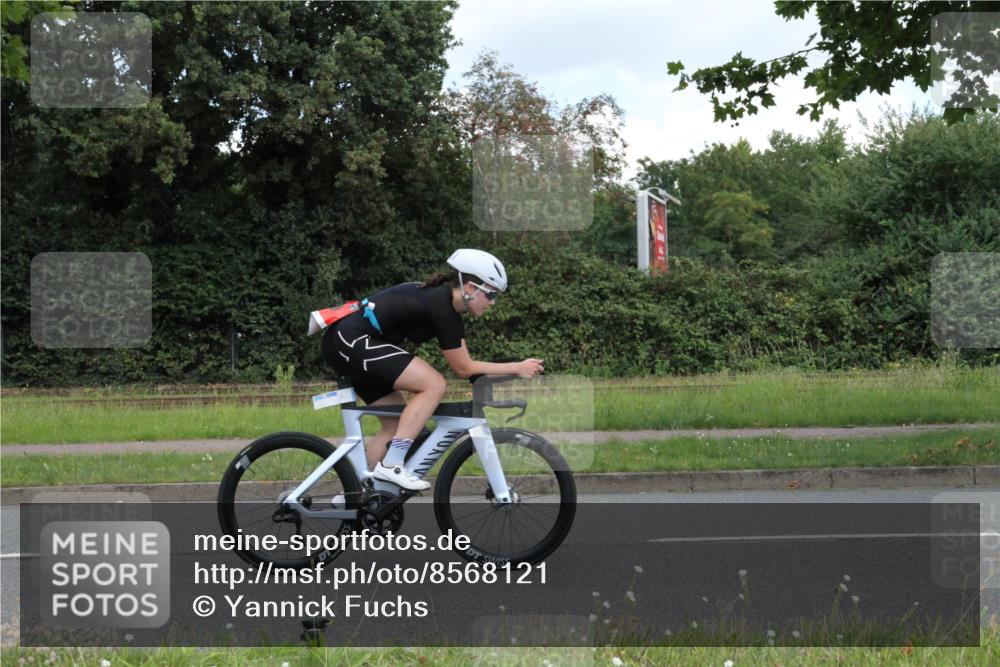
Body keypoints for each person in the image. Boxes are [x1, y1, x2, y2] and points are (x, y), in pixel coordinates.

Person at [321, 249, 544, 491]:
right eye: (490, 294)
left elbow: (467, 365)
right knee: (434, 385)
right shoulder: (441, 305)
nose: (492, 302)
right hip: (350, 340)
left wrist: (508, 371)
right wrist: (517, 367)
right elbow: (464, 368)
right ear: (470, 288)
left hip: (349, 343)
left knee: (396, 427)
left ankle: (362, 496)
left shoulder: (447, 309)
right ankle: (392, 464)